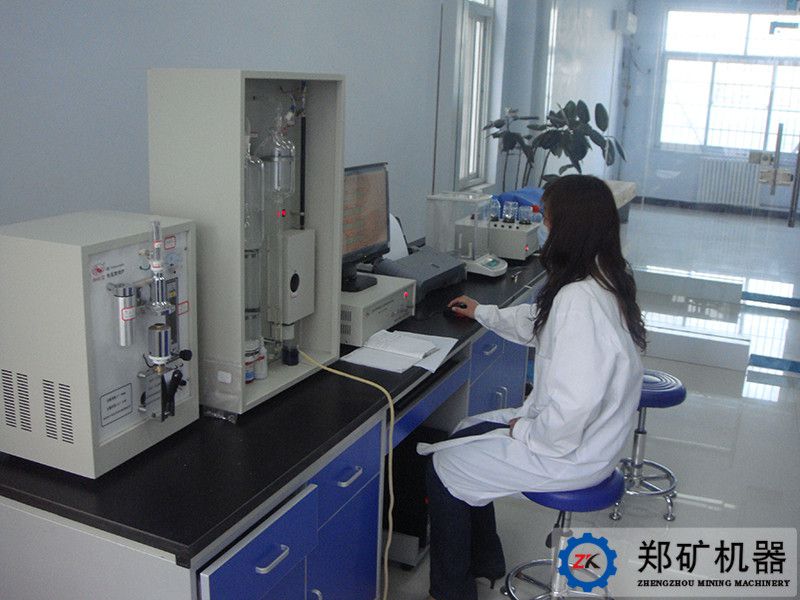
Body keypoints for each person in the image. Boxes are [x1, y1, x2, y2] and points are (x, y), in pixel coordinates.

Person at [417, 174, 647, 600]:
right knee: (462, 431)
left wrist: (523, 431)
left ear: (569, 228)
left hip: (568, 450)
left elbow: (574, 406)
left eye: (546, 218)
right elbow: (540, 324)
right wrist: (483, 312)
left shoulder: (579, 300)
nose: (541, 225)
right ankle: (485, 563)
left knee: (443, 466)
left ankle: (452, 592)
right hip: (587, 438)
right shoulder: (604, 278)